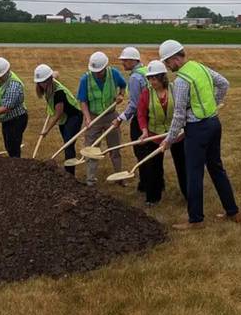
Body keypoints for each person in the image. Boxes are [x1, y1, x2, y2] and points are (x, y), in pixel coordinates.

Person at [159, 40, 241, 230]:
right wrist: (214, 103)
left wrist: (168, 140)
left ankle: (195, 220)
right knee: (216, 168)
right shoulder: (200, 67)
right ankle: (233, 211)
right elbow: (224, 83)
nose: (167, 66)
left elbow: (179, 115)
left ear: (174, 59)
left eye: (167, 62)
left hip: (197, 131)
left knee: (193, 174)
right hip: (214, 124)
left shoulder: (181, 81)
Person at [136, 60, 187, 206]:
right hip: (154, 135)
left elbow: (182, 109)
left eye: (154, 78)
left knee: (183, 165)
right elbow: (141, 114)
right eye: (149, 78)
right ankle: (153, 197)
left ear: (162, 77)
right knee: (154, 167)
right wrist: (144, 131)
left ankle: (188, 194)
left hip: (176, 134)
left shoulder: (174, 89)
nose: (152, 81)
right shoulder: (146, 93)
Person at [77, 51, 126, 186]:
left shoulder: (114, 74)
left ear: (105, 67)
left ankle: (119, 178)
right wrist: (87, 119)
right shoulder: (85, 79)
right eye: (95, 71)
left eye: (99, 71)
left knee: (115, 148)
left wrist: (121, 95)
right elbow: (83, 101)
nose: (97, 74)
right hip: (94, 117)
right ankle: (90, 180)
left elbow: (123, 85)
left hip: (111, 116)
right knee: (91, 148)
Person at [34, 64, 83, 174]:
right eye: (41, 82)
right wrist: (53, 74)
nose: (43, 84)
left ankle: (70, 174)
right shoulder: (50, 81)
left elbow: (58, 114)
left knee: (68, 144)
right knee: (66, 142)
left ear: (49, 80)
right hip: (64, 118)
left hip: (74, 116)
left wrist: (47, 130)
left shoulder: (58, 93)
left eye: (45, 82)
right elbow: (56, 73)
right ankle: (68, 171)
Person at [112, 47, 148, 192]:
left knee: (141, 152)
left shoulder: (135, 77)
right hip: (153, 117)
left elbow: (134, 104)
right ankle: (157, 183)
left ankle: (145, 185)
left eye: (126, 60)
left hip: (141, 120)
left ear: (134, 60)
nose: (123, 63)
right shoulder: (147, 71)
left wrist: (120, 118)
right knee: (151, 151)